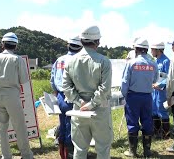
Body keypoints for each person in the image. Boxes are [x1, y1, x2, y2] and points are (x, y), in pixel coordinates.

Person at [62, 26, 113, 159]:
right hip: (100, 110)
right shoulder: (104, 61)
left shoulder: (70, 61)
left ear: (81, 40)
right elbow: (105, 88)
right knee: (103, 148)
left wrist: (80, 101)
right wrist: (91, 104)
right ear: (97, 42)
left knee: (79, 148)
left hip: (78, 110)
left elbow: (66, 87)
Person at [0, 32, 33, 159]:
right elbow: (23, 80)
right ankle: (26, 155)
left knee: (1, 128)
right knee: (19, 127)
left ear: (2, 44)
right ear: (15, 46)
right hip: (12, 96)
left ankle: (6, 156)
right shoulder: (17, 59)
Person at [121, 38, 158, 158]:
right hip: (147, 97)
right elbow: (155, 80)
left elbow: (124, 82)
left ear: (136, 49)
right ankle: (147, 151)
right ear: (146, 50)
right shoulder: (153, 64)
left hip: (133, 96)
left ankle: (132, 151)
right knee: (147, 121)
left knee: (132, 122)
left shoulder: (131, 63)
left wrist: (125, 96)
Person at [50, 36, 83, 158]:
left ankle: (62, 152)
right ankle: (70, 153)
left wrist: (56, 93)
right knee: (72, 125)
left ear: (68, 46)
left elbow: (52, 79)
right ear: (80, 47)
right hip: (73, 96)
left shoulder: (59, 60)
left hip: (60, 95)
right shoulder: (79, 60)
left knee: (62, 123)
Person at [150, 41, 170, 139]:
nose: (151, 51)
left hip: (162, 90)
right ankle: (156, 131)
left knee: (162, 110)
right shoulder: (155, 61)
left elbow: (168, 77)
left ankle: (165, 134)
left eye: (152, 49)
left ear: (158, 50)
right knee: (154, 109)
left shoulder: (166, 61)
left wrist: (160, 84)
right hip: (154, 90)